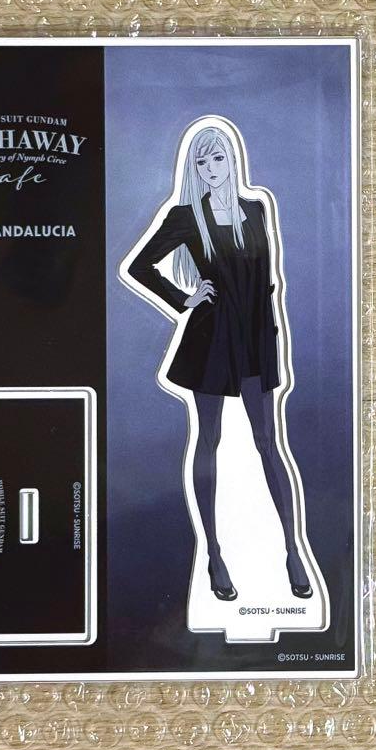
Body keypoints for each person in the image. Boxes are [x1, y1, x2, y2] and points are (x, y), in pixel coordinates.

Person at [120, 116, 313, 603]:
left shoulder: (255, 209)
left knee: (267, 442)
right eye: (202, 161)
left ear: (232, 159)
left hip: (255, 341)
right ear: (195, 168)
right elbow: (139, 266)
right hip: (210, 342)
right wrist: (182, 298)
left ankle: (293, 550)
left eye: (217, 157)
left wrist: (271, 342)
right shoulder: (187, 216)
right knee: (208, 440)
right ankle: (214, 555)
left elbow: (267, 283)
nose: (210, 168)